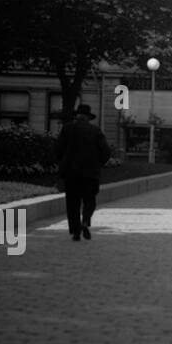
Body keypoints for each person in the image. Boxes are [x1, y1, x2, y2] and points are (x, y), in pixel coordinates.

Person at [56, 103, 112, 242]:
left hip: (71, 173)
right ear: (88, 117)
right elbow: (106, 151)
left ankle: (75, 231)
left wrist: (62, 164)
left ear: (77, 116)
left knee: (72, 202)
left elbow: (58, 149)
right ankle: (85, 220)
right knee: (89, 200)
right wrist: (98, 164)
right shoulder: (96, 131)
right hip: (90, 173)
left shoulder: (67, 129)